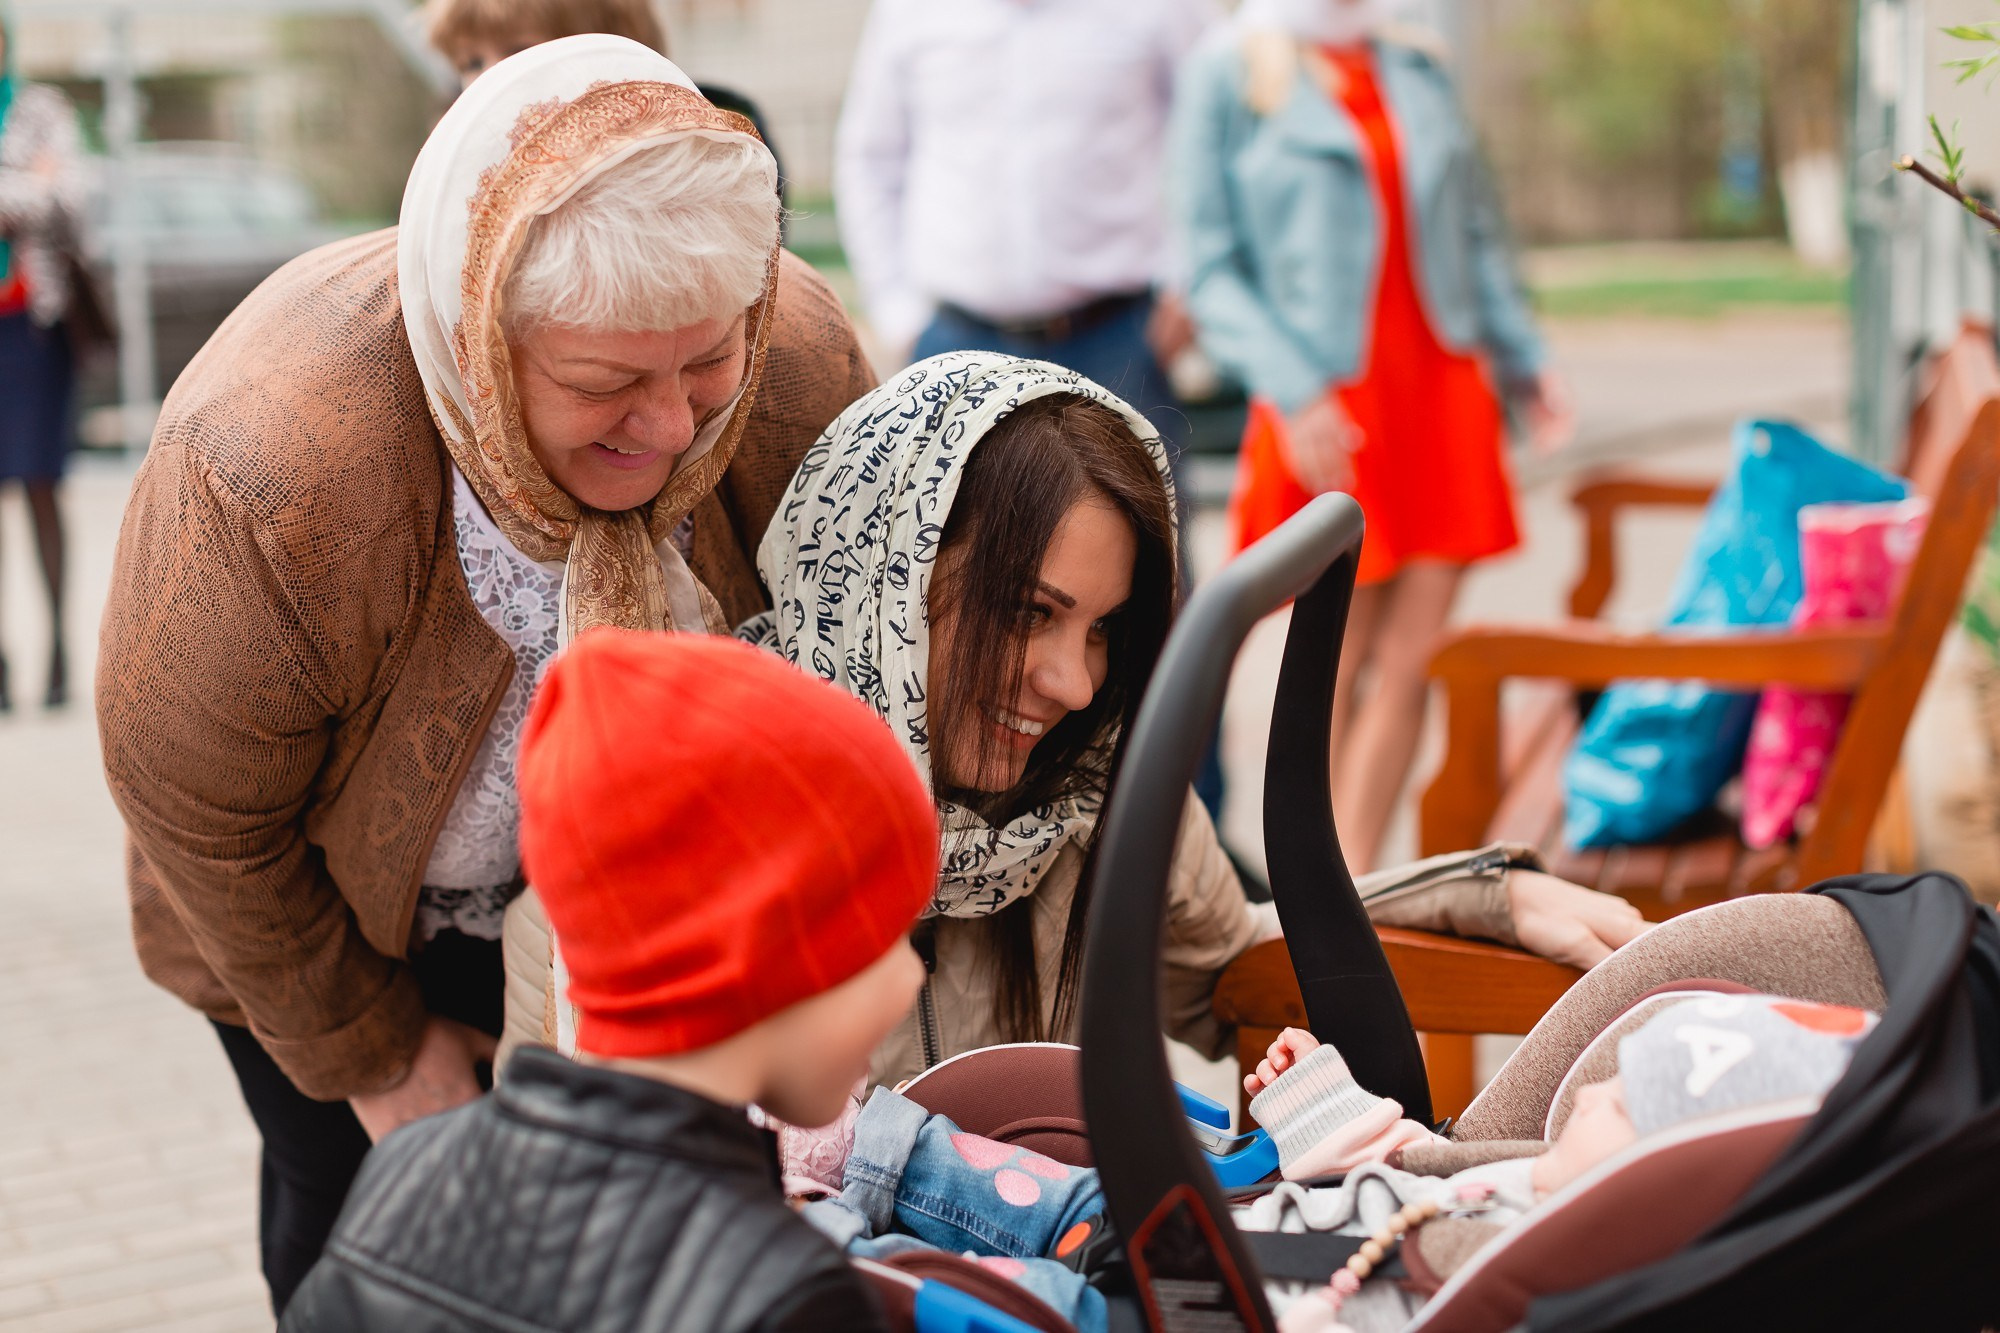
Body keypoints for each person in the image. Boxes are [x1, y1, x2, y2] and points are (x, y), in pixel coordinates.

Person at [95, 36, 876, 1314]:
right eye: (605, 382)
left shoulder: (791, 361)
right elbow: (197, 811)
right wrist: (380, 1060)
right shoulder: (271, 466)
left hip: (613, 920)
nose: (674, 427)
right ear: (479, 334)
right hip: (322, 921)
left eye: (705, 364)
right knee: (363, 1219)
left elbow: (855, 659)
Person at [502, 354, 1645, 1088]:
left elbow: (1229, 957)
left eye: (1102, 631)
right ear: (890, 582)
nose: (1072, 683)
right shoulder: (656, 846)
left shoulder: (1077, 795)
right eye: (1027, 613)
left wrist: (1487, 898)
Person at [282, 630, 931, 1331]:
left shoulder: (404, 1174)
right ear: (763, 950)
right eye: (881, 937)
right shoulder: (785, 1296)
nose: (911, 977)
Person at [1172, 0, 1575, 872]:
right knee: (1333, 661)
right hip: (1328, 406)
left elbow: (1477, 238)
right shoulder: (1230, 69)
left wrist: (1527, 362)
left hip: (1441, 394)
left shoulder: (1417, 66)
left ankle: (1355, 896)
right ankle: (1314, 894)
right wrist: (1294, 387)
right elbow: (1207, 268)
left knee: (1409, 663)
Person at [834, 0, 1215, 455]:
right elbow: (870, 160)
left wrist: (1191, 284)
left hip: (1120, 340)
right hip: (956, 347)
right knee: (956, 526)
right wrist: (898, 314)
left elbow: (1215, 137)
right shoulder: (908, 11)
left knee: (1139, 524)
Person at [425, 0, 787, 205]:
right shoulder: (454, 160)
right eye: (470, 62)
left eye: (519, 51)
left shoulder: (706, 142)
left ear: (607, 43)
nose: (490, 76)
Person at [0, 11, 85, 711]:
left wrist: (18, 194)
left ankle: (58, 648)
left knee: (39, 486)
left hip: (32, 328)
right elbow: (30, 191)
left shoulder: (40, 110)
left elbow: (63, 194)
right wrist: (19, 188)